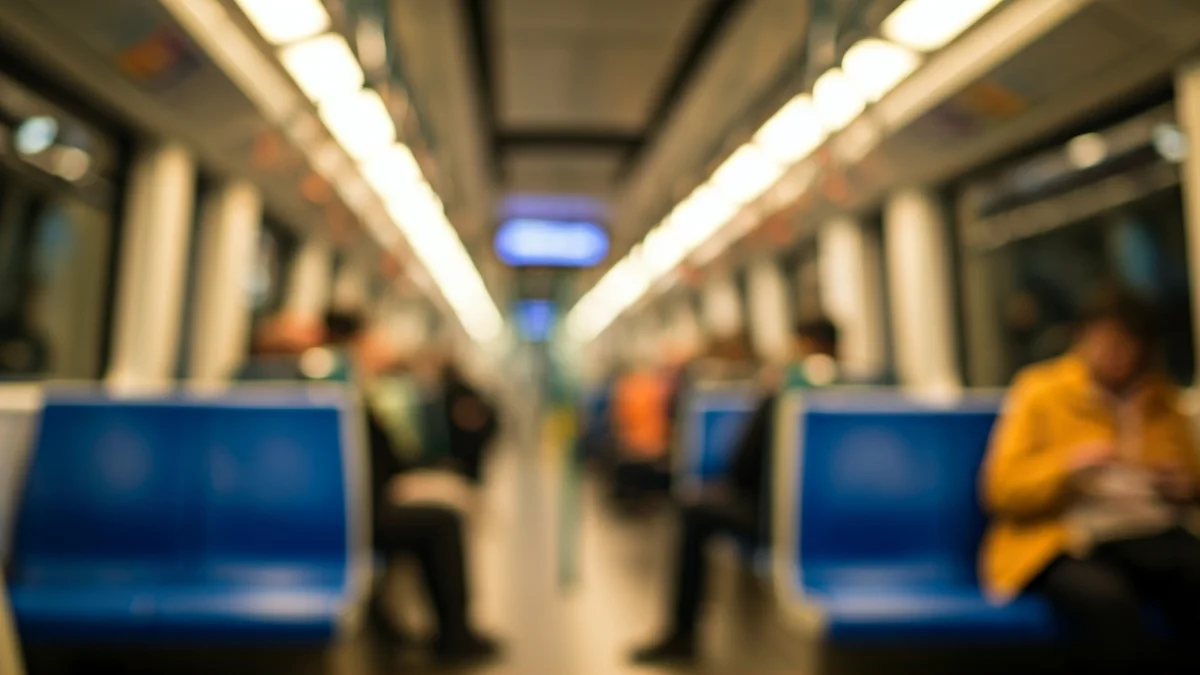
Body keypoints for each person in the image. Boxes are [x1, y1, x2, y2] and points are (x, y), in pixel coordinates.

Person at [241, 311, 501, 663]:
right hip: (343, 514)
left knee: (440, 508)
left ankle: (419, 628)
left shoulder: (309, 394)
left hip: (347, 504)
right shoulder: (324, 397)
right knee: (441, 522)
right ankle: (454, 635)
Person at [980, 288, 1200, 674]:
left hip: (1145, 530)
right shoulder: (1041, 392)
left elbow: (1192, 480)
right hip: (1061, 537)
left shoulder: (1160, 399)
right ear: (1082, 339)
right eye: (1105, 340)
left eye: (1126, 343)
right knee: (1108, 601)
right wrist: (1068, 469)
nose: (1115, 353)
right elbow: (1001, 490)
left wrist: (1184, 486)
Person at [631, 318, 840, 664]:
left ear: (802, 344)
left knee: (693, 509)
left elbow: (741, 467)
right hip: (841, 523)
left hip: (781, 521)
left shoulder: (779, 394)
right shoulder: (865, 389)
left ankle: (683, 634)